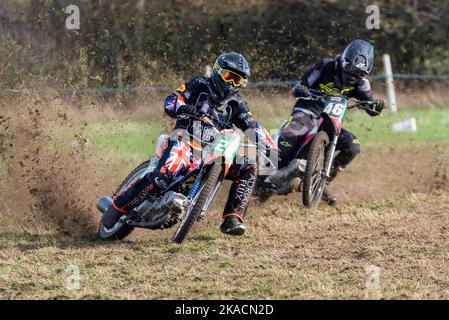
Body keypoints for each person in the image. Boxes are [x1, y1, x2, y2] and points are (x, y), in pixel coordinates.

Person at [103, 52, 276, 236]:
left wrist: (269, 144)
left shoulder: (237, 104)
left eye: (238, 80)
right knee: (163, 176)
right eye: (229, 77)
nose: (232, 84)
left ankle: (232, 218)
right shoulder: (199, 85)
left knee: (249, 166)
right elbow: (172, 100)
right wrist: (184, 108)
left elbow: (251, 124)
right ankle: (118, 206)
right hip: (185, 141)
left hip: (215, 152)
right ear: (218, 72)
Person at [277, 39, 385, 204]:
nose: (353, 76)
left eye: (359, 73)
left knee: (353, 146)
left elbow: (370, 106)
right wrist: (302, 89)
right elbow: (300, 86)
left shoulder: (362, 84)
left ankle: (319, 180)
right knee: (291, 136)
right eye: (350, 69)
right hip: (308, 110)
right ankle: (266, 175)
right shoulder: (324, 66)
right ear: (343, 61)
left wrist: (376, 106)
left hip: (331, 120)